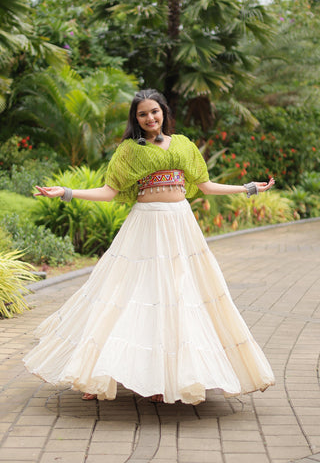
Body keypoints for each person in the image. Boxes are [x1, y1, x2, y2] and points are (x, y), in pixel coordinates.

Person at [24, 89, 275, 405]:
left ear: (164, 112)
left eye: (154, 111)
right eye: (143, 114)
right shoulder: (129, 150)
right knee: (128, 295)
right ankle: (96, 372)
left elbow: (205, 186)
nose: (150, 118)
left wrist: (249, 188)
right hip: (146, 226)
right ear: (136, 119)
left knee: (179, 297)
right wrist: (67, 192)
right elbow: (109, 191)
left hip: (180, 226)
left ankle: (164, 379)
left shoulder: (183, 144)